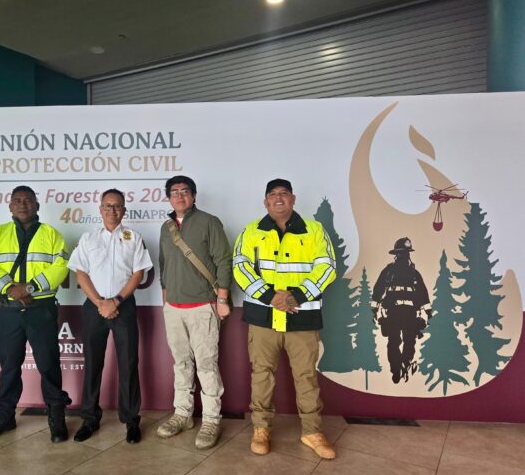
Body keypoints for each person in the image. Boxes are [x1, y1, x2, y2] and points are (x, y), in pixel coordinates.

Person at [233, 178, 337, 459]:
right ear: (265, 202)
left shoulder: (314, 230)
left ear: (293, 199)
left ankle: (312, 432)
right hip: (263, 317)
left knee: (306, 376)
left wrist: (295, 297)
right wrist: (271, 297)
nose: (278, 198)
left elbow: (327, 267)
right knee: (261, 374)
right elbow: (240, 267)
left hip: (303, 318)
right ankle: (261, 429)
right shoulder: (251, 231)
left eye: (284, 193)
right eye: (272, 194)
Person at [0, 185, 72, 443]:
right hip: (10, 312)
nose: (22, 204)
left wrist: (29, 288)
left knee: (49, 365)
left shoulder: (52, 235)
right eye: (17, 200)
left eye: (28, 200)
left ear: (37, 205)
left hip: (42, 310)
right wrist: (10, 288)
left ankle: (56, 416)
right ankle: (4, 417)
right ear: (10, 206)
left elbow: (61, 266)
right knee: (9, 366)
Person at [67, 189, 153, 444]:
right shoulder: (88, 238)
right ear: (100, 209)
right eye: (107, 205)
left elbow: (138, 274)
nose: (112, 210)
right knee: (93, 363)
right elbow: (80, 273)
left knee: (128, 362)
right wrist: (99, 303)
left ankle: (131, 420)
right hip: (94, 307)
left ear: (124, 210)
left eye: (117, 206)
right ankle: (89, 419)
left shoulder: (133, 237)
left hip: (123, 306)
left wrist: (116, 301)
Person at [156, 175, 232, 450]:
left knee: (207, 365)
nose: (180, 196)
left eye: (185, 191)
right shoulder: (166, 228)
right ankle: (183, 414)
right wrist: (166, 295)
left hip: (202, 306)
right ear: (169, 198)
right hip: (174, 308)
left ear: (194, 195)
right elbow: (164, 264)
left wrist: (222, 298)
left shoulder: (209, 222)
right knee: (181, 363)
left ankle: (211, 419)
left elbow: (224, 260)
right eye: (174, 192)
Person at [371, 237, 432, 384]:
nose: (404, 255)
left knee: (409, 341)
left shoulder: (414, 273)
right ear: (396, 254)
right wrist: (374, 309)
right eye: (402, 253)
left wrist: (428, 311)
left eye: (406, 252)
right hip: (393, 312)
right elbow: (378, 289)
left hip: (410, 313)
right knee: (394, 341)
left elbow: (423, 293)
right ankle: (396, 369)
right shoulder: (389, 271)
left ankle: (404, 363)